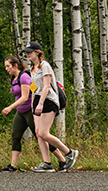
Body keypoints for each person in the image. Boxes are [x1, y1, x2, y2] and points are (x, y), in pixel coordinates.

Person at [0, 56, 65, 172]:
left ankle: (62, 160)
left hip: (30, 111)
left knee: (40, 136)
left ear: (15, 65)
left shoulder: (24, 76)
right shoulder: (14, 78)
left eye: (8, 66)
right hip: (20, 112)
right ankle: (13, 165)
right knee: (15, 136)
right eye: (5, 67)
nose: (6, 69)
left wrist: (10, 107)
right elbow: (30, 90)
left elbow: (25, 97)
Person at [24, 42, 78, 173]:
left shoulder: (45, 66)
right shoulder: (33, 68)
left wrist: (41, 103)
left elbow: (47, 87)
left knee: (43, 132)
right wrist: (33, 106)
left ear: (37, 52)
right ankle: (47, 163)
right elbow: (34, 88)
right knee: (38, 133)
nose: (27, 54)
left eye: (29, 51)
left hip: (48, 100)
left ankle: (69, 152)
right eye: (26, 52)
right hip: (37, 100)